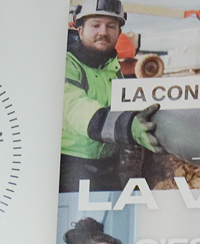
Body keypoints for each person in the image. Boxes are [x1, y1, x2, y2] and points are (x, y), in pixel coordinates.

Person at [61, 0, 159, 193]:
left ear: (119, 33)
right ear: (80, 30)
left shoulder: (112, 68)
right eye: (96, 25)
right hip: (72, 166)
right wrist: (127, 126)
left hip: (109, 163)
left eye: (111, 26)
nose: (103, 32)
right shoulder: (66, 64)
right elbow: (74, 107)